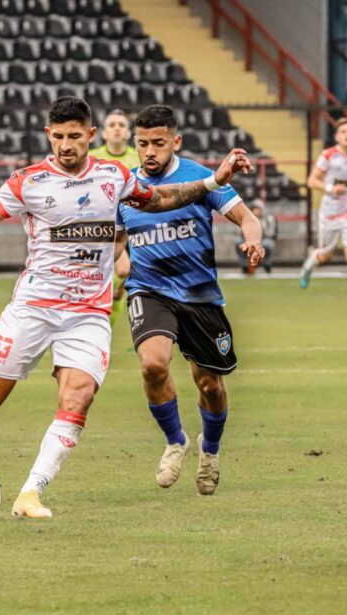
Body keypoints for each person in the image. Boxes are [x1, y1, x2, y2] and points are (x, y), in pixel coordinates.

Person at [0, 96, 254, 519]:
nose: (66, 145)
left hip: (88, 313)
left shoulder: (113, 176)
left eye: (75, 136)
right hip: (34, 307)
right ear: (48, 135)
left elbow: (158, 199)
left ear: (90, 135)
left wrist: (212, 182)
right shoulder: (28, 182)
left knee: (77, 397)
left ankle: (31, 493)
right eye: (58, 136)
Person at [117, 104, 264, 496]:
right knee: (153, 364)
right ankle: (175, 441)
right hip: (149, 289)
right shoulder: (125, 188)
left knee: (210, 385)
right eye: (143, 143)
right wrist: (115, 261)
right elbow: (114, 242)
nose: (150, 151)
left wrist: (253, 240)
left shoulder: (200, 177)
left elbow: (248, 218)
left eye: (159, 143)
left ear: (176, 141)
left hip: (200, 295)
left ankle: (209, 449)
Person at [299, 117, 347, 313]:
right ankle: (308, 266)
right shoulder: (329, 156)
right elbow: (312, 181)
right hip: (330, 213)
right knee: (325, 254)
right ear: (337, 137)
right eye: (343, 132)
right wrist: (331, 189)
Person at [90, 109, 140, 327]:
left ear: (129, 133)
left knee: (121, 287)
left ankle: (104, 329)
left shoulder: (138, 157)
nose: (117, 129)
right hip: (106, 225)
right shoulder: (93, 158)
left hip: (137, 225)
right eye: (112, 125)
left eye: (121, 125)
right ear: (103, 133)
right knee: (123, 270)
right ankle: (100, 320)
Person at [235, 198, 277, 274]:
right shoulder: (246, 219)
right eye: (254, 209)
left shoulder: (268, 219)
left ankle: (266, 265)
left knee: (267, 244)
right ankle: (244, 265)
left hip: (263, 240)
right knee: (238, 241)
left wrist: (259, 230)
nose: (256, 211)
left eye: (258, 209)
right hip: (247, 239)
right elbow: (240, 231)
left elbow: (271, 234)